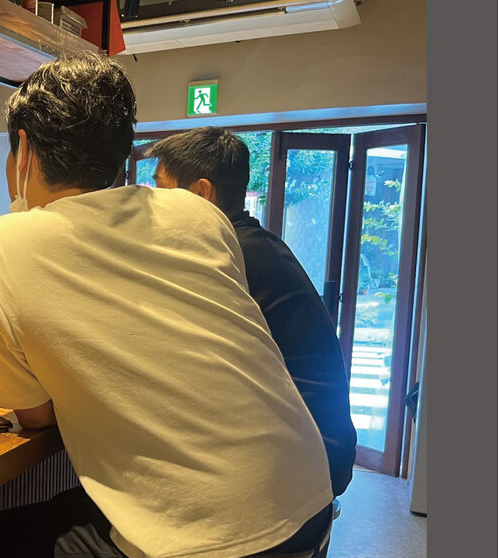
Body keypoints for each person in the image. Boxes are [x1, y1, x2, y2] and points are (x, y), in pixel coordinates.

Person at [0, 53, 335, 558]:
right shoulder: (198, 217)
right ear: (125, 148)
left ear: (22, 150)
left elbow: (36, 415)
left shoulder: (1, 242)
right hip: (313, 522)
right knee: (89, 509)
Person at [146, 127, 358, 498]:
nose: (152, 205)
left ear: (200, 193)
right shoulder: (250, 243)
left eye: (161, 190)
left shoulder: (229, 257)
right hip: (315, 452)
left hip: (304, 464)